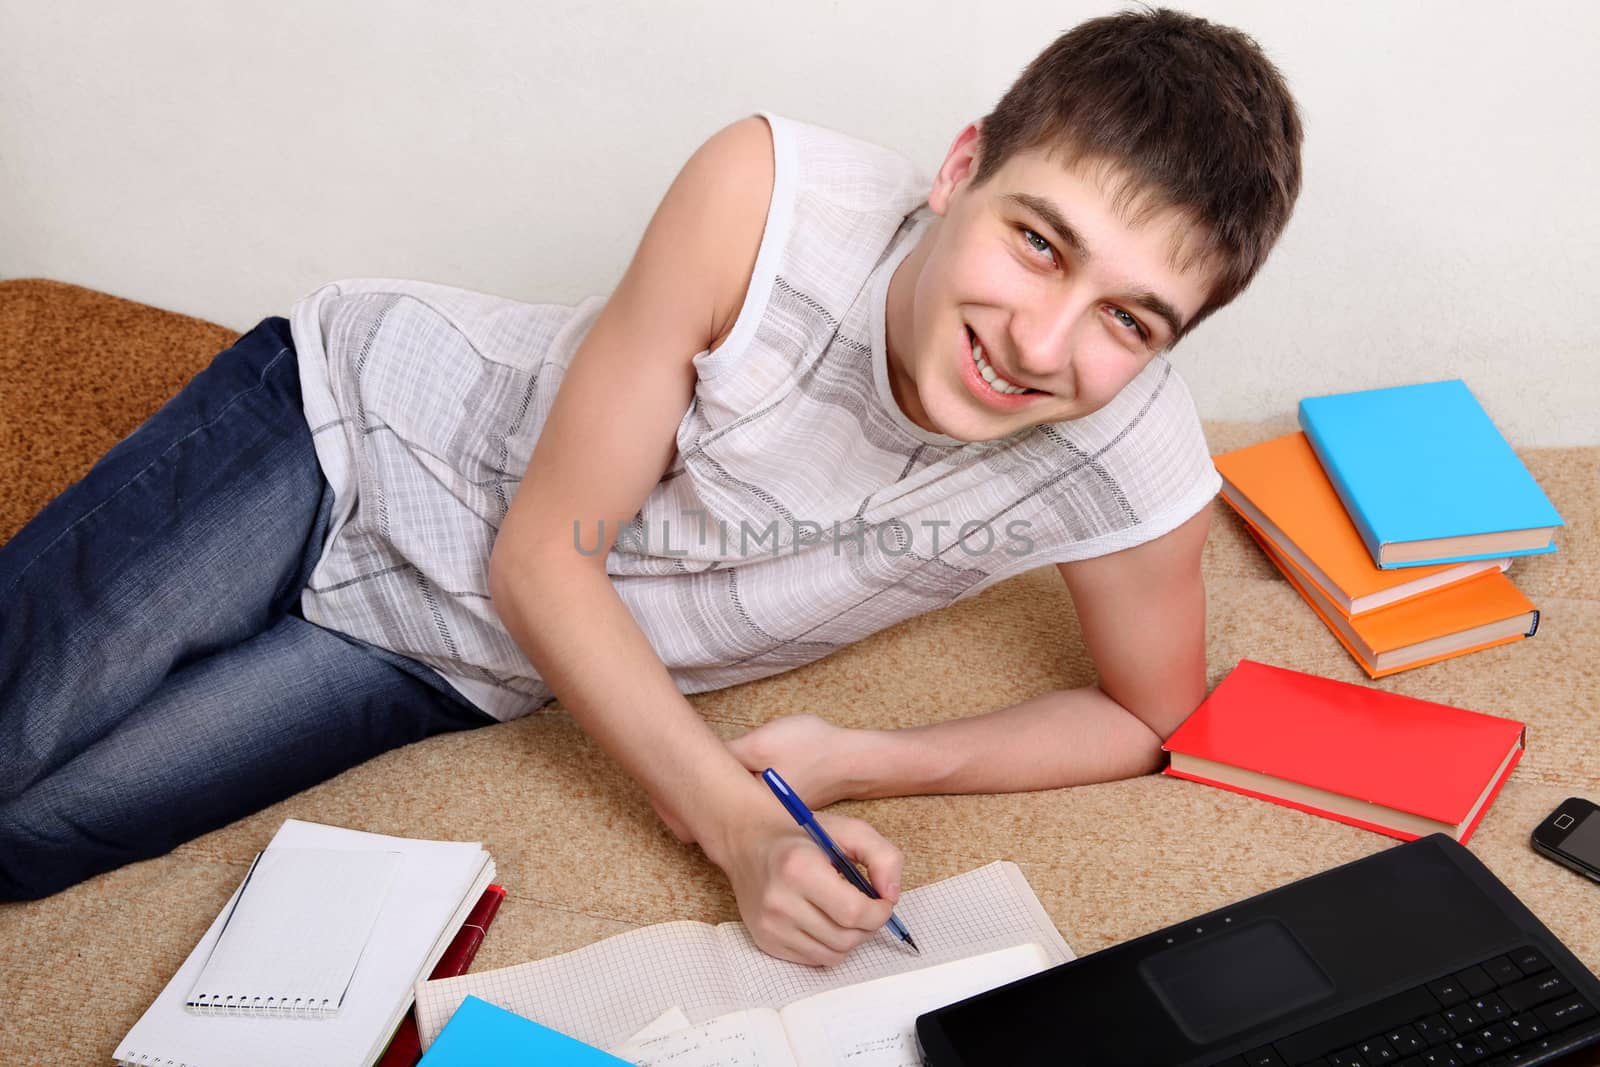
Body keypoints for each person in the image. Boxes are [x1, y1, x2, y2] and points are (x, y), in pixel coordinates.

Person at [0, 8, 1302, 963]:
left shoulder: (1128, 456)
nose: (1040, 342)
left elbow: (1147, 717)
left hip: (450, 657)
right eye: (1036, 242)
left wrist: (862, 761)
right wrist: (743, 832)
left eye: (1129, 320)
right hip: (344, 434)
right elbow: (543, 558)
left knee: (38, 833)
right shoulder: (766, 195)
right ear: (959, 169)